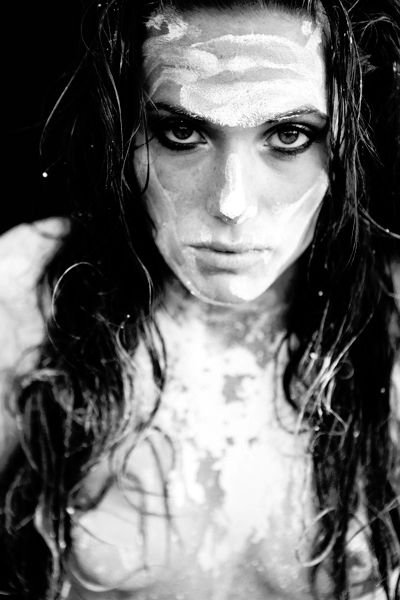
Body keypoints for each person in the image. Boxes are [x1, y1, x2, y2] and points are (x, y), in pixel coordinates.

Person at [0, 0, 399, 598]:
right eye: (182, 133)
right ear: (124, 133)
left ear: (349, 141)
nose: (231, 203)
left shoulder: (393, 321)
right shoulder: (28, 291)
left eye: (289, 135)